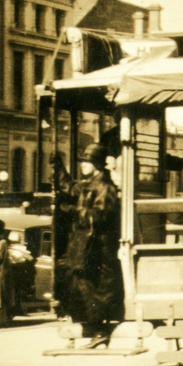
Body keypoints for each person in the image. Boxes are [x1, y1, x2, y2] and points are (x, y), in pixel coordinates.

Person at [55, 143, 125, 347]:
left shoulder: (105, 187)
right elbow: (69, 188)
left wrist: (75, 212)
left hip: (98, 250)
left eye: (87, 161)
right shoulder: (89, 184)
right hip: (86, 248)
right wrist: (59, 169)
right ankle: (94, 328)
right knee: (81, 284)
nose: (83, 165)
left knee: (95, 289)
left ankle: (100, 331)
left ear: (96, 165)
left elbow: (101, 216)